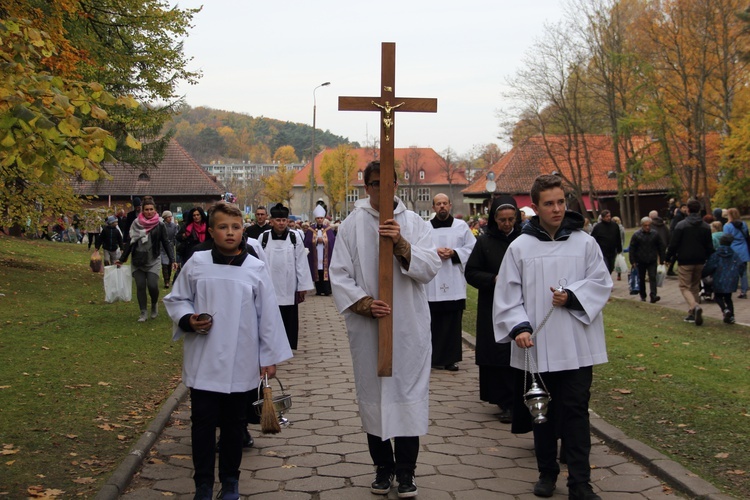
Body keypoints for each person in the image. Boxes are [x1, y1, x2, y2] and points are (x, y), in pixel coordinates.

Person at [163, 201, 293, 500]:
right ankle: (204, 485)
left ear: (243, 231)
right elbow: (177, 298)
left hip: (241, 361)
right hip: (204, 361)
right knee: (203, 427)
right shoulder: (197, 263)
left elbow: (268, 316)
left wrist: (269, 358)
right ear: (211, 231)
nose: (230, 233)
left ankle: (231, 482)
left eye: (235, 227)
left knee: (234, 427)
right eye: (223, 227)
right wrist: (188, 319)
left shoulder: (255, 268)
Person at [493, 174, 612, 500]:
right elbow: (506, 294)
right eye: (549, 203)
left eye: (561, 201)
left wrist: (572, 297)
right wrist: (519, 327)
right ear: (534, 207)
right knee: (541, 410)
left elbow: (602, 282)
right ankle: (547, 473)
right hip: (538, 345)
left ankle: (580, 483)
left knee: (575, 411)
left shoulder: (584, 242)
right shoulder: (520, 246)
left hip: (576, 344)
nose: (557, 209)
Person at [330, 161, 440, 498]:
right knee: (374, 397)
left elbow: (431, 266)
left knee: (408, 398)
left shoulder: (416, 224)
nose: (384, 189)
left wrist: (402, 244)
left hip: (408, 327)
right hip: (370, 328)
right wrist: (364, 303)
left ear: (398, 184)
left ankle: (406, 472)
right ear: (367, 187)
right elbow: (339, 274)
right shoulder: (351, 226)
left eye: (389, 182)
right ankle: (382, 467)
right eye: (376, 183)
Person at [465, 195, 521, 424]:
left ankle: (519, 399)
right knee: (498, 352)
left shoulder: (524, 239)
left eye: (511, 219)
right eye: (502, 220)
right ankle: (504, 401)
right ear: (494, 219)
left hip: (520, 302)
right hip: (494, 303)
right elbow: (471, 272)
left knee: (516, 349)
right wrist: (493, 279)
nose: (507, 224)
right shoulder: (485, 241)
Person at [425, 193, 475, 371]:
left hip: (454, 280)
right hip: (433, 283)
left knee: (452, 323)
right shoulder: (425, 228)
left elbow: (472, 248)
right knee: (434, 322)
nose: (442, 207)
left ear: (450, 205)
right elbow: (420, 250)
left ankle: (450, 359)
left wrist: (454, 253)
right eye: (438, 204)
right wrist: (434, 252)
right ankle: (432, 357)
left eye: (445, 203)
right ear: (433, 208)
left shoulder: (461, 226)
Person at [260, 203, 314, 350]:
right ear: (271, 221)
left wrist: (302, 286)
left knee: (289, 315)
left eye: (284, 220)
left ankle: (289, 345)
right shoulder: (263, 237)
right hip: (269, 284)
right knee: (270, 315)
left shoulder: (294, 237)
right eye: (278, 220)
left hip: (289, 284)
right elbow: (258, 263)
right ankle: (272, 343)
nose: (281, 223)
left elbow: (301, 262)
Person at [116, 196, 175, 322]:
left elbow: (166, 242)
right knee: (141, 286)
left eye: (151, 209)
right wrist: (122, 259)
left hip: (153, 259)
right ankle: (143, 312)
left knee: (153, 285)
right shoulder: (136, 224)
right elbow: (130, 242)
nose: (149, 212)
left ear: (155, 210)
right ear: (142, 210)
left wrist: (172, 259)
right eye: (146, 209)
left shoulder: (160, 225)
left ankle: (154, 304)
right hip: (138, 259)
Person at [665, 199, 714, 326]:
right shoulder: (705, 226)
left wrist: (668, 257)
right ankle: (692, 313)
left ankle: (694, 306)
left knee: (684, 286)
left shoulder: (681, 225)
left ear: (688, 209)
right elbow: (709, 246)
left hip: (685, 259)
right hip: (700, 260)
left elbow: (674, 244)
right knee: (695, 286)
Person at [702, 234, 744, 324]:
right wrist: (739, 274)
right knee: (728, 298)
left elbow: (710, 266)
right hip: (731, 278)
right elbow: (741, 265)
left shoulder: (716, 255)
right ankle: (731, 316)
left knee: (718, 297)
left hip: (719, 278)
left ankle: (725, 310)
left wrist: (703, 274)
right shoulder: (734, 254)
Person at [628, 216, 665, 304]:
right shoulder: (636, 235)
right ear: (642, 226)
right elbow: (632, 249)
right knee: (641, 278)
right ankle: (643, 295)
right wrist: (632, 261)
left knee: (652, 277)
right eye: (645, 226)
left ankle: (653, 295)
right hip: (640, 260)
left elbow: (661, 246)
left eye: (649, 225)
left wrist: (662, 259)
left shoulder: (655, 234)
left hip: (652, 259)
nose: (647, 227)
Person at [303, 204, 336, 296]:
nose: (320, 220)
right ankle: (319, 290)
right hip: (316, 254)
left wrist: (325, 240)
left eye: (321, 218)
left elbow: (332, 241)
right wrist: (316, 241)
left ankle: (327, 290)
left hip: (325, 254)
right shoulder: (311, 230)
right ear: (315, 219)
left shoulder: (328, 229)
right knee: (317, 271)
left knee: (326, 270)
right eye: (318, 218)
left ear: (324, 218)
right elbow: (307, 242)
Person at [722, 208, 749, 299]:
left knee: (730, 270)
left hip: (733, 248)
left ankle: (729, 289)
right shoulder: (744, 224)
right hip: (743, 249)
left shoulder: (727, 226)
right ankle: (744, 290)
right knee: (743, 272)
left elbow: (726, 238)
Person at [590, 210, 622, 274]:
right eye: (607, 216)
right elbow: (593, 239)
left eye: (609, 216)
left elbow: (618, 237)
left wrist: (619, 248)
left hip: (612, 251)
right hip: (602, 251)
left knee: (611, 267)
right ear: (603, 217)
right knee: (605, 267)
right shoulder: (598, 227)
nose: (609, 218)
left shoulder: (615, 226)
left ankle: (608, 277)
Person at [161, 210, 179, 289]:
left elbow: (176, 235)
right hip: (162, 246)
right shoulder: (162, 225)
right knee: (164, 264)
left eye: (170, 216)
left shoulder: (174, 226)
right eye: (168, 217)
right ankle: (166, 281)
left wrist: (175, 243)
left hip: (170, 246)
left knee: (170, 263)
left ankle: (168, 277)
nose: (170, 218)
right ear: (165, 218)